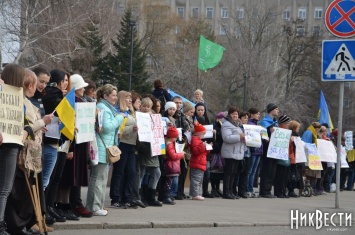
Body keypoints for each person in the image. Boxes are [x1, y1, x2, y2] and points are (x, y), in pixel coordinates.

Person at [4, 69, 53, 235]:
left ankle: (24, 223)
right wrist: (40, 123)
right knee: (12, 192)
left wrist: (38, 126)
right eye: (33, 84)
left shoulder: (25, 102)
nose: (36, 87)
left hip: (30, 154)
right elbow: (24, 128)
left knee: (22, 192)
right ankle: (14, 225)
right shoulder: (16, 101)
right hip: (20, 154)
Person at [86, 84, 124, 216]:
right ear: (105, 96)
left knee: (99, 178)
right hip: (102, 147)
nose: (115, 98)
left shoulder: (105, 107)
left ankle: (95, 206)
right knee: (99, 179)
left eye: (115, 95)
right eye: (113, 95)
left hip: (104, 146)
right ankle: (95, 207)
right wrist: (120, 118)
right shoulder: (104, 108)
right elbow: (108, 127)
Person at [110, 91, 142, 209]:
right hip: (122, 144)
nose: (130, 100)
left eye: (130, 98)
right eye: (127, 98)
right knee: (119, 172)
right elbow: (119, 131)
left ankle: (127, 197)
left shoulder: (131, 112)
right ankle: (115, 198)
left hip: (132, 145)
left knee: (131, 172)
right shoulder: (118, 112)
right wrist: (132, 129)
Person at [137, 98, 163, 207]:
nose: (146, 108)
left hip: (153, 147)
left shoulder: (155, 117)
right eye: (144, 106)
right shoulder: (137, 116)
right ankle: (139, 196)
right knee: (141, 173)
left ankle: (150, 196)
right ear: (140, 106)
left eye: (148, 106)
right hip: (143, 147)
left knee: (156, 173)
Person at [221, 107, 246, 199]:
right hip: (230, 152)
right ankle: (226, 192)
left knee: (234, 173)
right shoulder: (226, 124)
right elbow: (226, 138)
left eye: (236, 114)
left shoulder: (238, 125)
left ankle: (231, 191)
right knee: (229, 173)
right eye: (233, 114)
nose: (235, 116)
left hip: (238, 152)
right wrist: (239, 137)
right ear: (229, 115)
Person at [259, 103, 279, 198]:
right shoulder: (265, 122)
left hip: (274, 149)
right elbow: (263, 135)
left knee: (272, 170)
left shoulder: (275, 122)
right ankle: (263, 190)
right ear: (271, 110)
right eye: (276, 109)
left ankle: (268, 189)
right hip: (267, 148)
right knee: (267, 169)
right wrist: (268, 132)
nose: (277, 111)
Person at [161, 127, 184, 205]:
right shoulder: (169, 144)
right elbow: (173, 156)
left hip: (173, 165)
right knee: (171, 182)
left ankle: (169, 195)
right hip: (171, 165)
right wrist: (181, 154)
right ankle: (167, 195)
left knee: (172, 181)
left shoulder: (171, 143)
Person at [189, 123, 210, 201]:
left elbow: (202, 152)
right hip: (197, 163)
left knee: (199, 179)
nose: (204, 136)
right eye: (203, 134)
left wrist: (207, 148)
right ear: (198, 133)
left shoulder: (198, 140)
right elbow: (196, 151)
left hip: (200, 163)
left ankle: (197, 193)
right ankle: (195, 194)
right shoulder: (195, 140)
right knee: (196, 179)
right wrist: (203, 146)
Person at [273, 115, 292, 198]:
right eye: (287, 123)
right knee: (280, 175)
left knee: (285, 176)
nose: (288, 124)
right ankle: (278, 191)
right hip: (279, 155)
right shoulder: (279, 131)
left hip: (286, 154)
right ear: (283, 123)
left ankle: (283, 191)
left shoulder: (287, 132)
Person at [246, 108, 262, 198]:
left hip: (259, 150)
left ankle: (251, 188)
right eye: (256, 114)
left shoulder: (257, 125)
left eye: (259, 114)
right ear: (251, 114)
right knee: (250, 171)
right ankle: (247, 189)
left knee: (254, 171)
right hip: (253, 150)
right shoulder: (249, 124)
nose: (258, 116)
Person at [210, 112, 225, 198]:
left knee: (220, 170)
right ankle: (213, 188)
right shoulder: (215, 126)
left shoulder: (223, 126)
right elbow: (214, 139)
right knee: (214, 170)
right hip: (215, 151)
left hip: (221, 150)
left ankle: (218, 188)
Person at [287, 120, 303, 198]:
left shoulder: (296, 135)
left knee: (293, 174)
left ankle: (291, 189)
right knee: (292, 174)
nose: (299, 129)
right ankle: (290, 190)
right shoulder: (292, 135)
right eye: (298, 127)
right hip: (292, 157)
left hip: (295, 157)